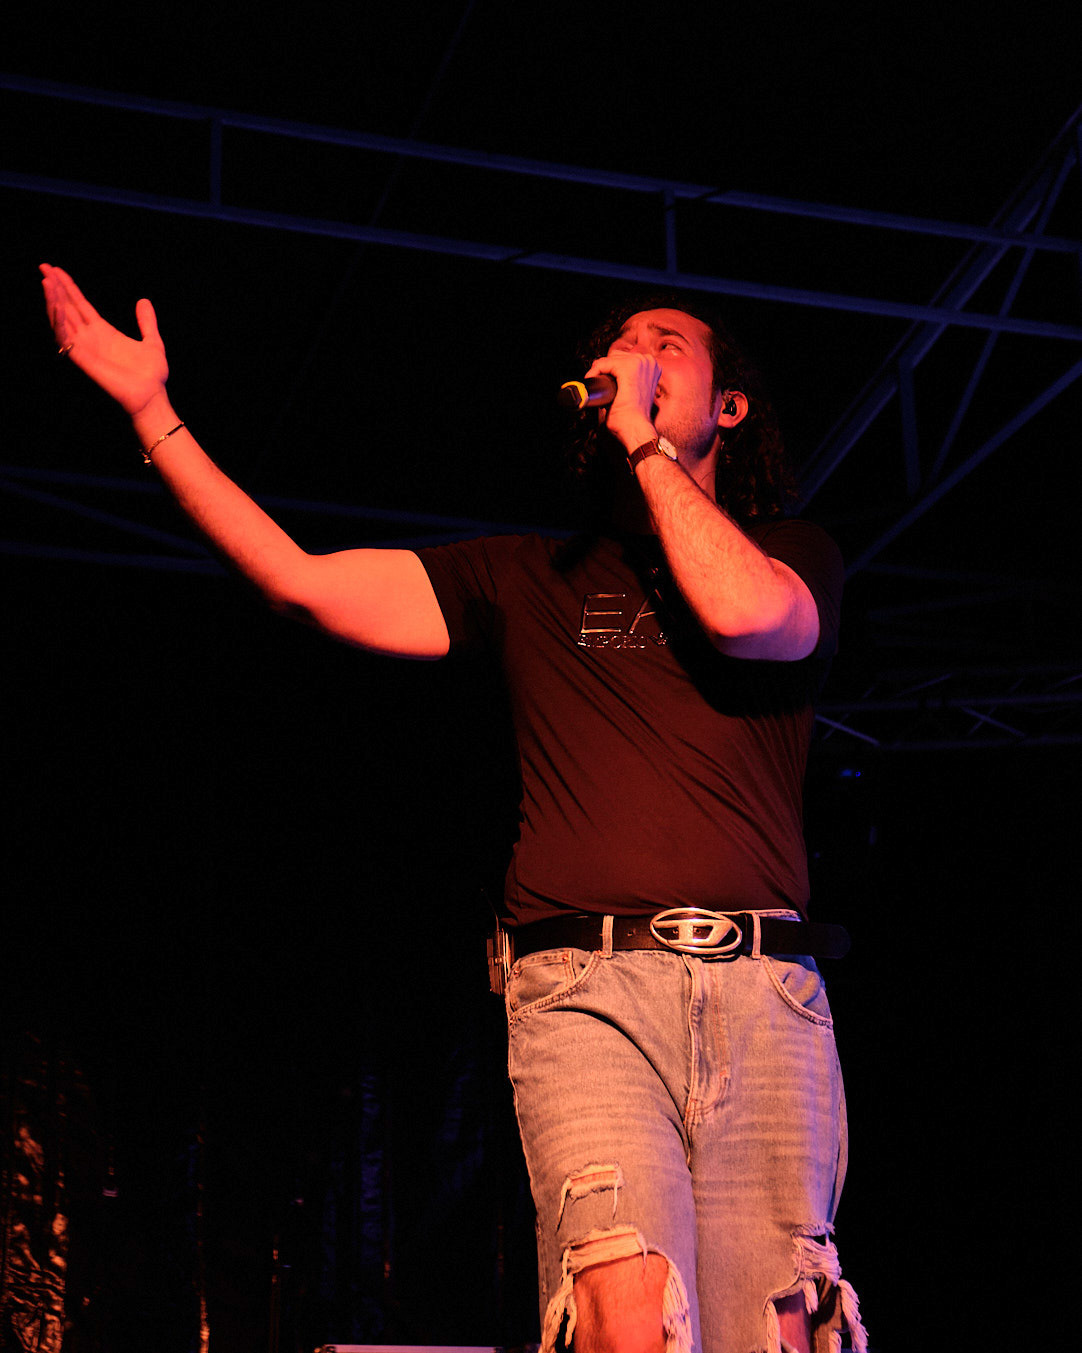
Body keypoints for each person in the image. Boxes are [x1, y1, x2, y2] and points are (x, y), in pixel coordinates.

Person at [40, 263, 867, 1353]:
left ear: (730, 407)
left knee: (781, 1329)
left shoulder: (793, 555)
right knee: (629, 1316)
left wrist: (646, 445)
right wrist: (155, 415)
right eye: (623, 342)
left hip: (765, 996)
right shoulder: (523, 575)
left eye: (666, 344)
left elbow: (745, 614)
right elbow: (299, 578)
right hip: (587, 993)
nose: (635, 354)